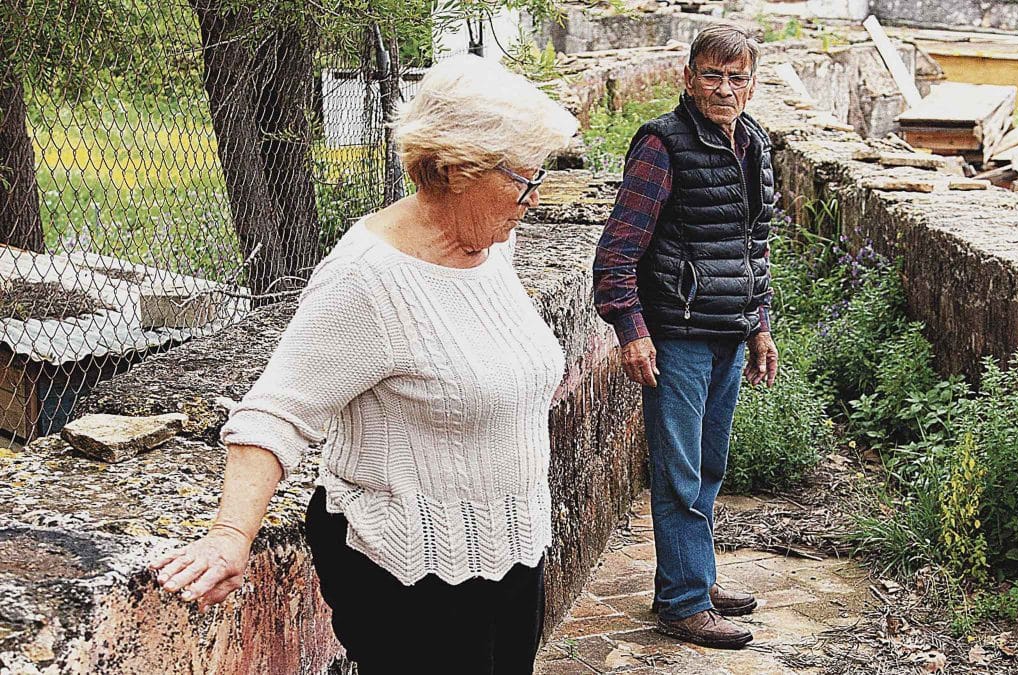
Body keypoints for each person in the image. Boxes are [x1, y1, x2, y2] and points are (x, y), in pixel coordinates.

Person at [151, 55, 578, 674]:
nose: (533, 200)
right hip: (408, 567)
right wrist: (229, 537)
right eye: (525, 180)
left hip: (510, 543)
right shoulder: (367, 280)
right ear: (460, 170)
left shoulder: (490, 244)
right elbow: (277, 412)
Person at [592, 24, 779, 650]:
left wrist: (760, 326)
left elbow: (754, 247)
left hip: (727, 330)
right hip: (677, 336)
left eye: (737, 77)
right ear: (688, 78)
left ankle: (694, 576)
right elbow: (618, 252)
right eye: (712, 75)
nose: (724, 89)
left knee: (708, 466)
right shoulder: (662, 145)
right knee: (677, 473)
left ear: (752, 85)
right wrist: (632, 331)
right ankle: (681, 603)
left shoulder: (753, 142)